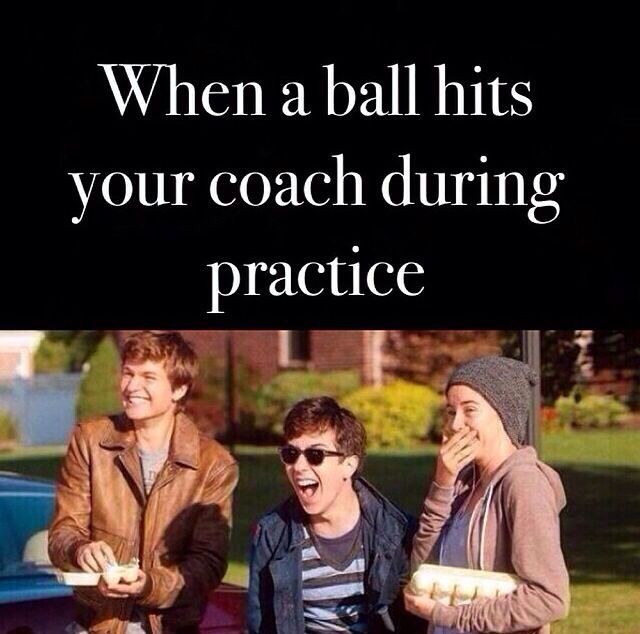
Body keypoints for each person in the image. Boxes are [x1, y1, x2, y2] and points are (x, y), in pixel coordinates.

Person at [49, 331, 239, 634]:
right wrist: (81, 549)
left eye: (148, 377)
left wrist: (147, 584)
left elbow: (208, 564)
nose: (132, 386)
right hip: (98, 624)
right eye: (128, 373)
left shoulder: (213, 464)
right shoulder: (90, 440)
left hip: (170, 626)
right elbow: (62, 533)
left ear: (178, 389)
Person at [405, 356, 570, 634]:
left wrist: (448, 615)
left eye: (470, 410)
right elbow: (422, 570)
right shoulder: (463, 482)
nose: (456, 424)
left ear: (503, 414)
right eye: (450, 411)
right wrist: (443, 483)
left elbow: (549, 598)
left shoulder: (523, 484)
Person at [248, 396, 420, 633]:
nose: (298, 466)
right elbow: (260, 626)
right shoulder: (272, 534)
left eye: (315, 455)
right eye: (290, 454)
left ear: (348, 465)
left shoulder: (398, 532)